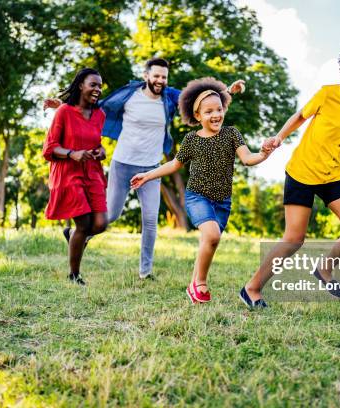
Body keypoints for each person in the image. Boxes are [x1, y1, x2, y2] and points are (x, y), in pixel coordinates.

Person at [240, 27, 340, 307]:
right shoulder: (327, 94)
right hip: (302, 172)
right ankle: (251, 288)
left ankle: (324, 268)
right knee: (294, 239)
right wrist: (278, 137)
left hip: (333, 175)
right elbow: (301, 116)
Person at [45, 58, 245, 279]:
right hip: (122, 163)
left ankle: (145, 271)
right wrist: (63, 104)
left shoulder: (169, 98)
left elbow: (200, 101)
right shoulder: (129, 94)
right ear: (146, 76)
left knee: (150, 221)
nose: (160, 80)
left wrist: (228, 91)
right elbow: (96, 105)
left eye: (164, 77)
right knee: (111, 215)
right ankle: (77, 235)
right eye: (156, 75)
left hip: (151, 167)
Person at [130, 77, 274, 303]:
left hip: (223, 201)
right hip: (197, 197)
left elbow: (248, 158)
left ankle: (193, 286)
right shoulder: (191, 140)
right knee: (212, 235)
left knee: (209, 241)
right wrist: (147, 175)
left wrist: (264, 154)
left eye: (219, 109)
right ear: (198, 116)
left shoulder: (231, 134)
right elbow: (174, 164)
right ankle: (201, 283)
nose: (215, 115)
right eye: (208, 112)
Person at [42, 68, 108, 285]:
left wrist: (101, 151)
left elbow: (95, 142)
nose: (97, 89)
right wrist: (72, 153)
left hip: (92, 172)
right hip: (69, 173)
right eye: (93, 84)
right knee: (83, 223)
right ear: (81, 85)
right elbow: (50, 149)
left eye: (100, 86)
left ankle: (72, 237)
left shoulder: (100, 115)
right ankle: (74, 275)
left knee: (100, 224)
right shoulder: (64, 112)